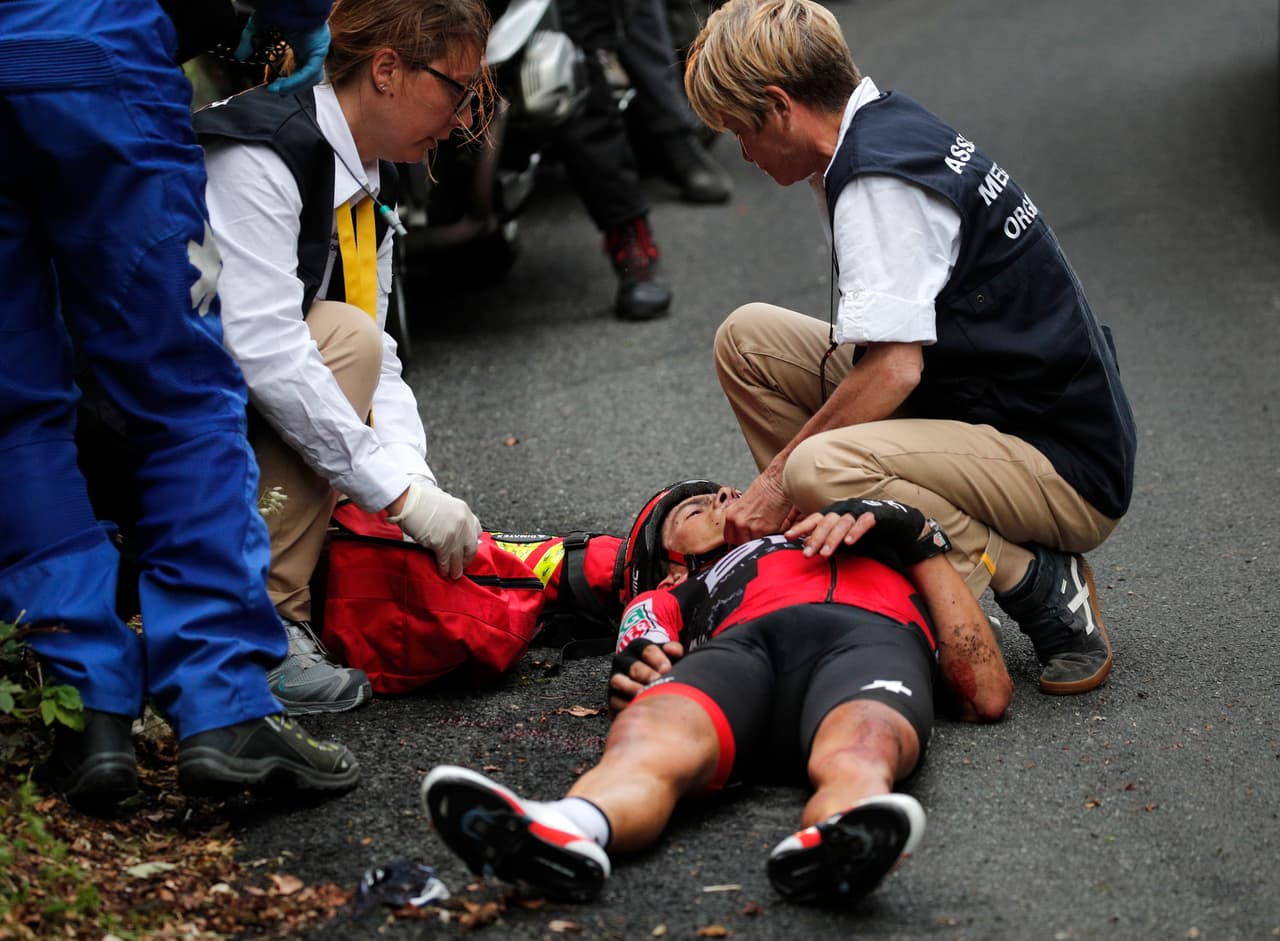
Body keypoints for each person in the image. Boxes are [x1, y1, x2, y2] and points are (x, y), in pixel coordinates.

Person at [682, 0, 1138, 695]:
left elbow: (896, 368)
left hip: (1063, 469)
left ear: (779, 106)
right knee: (747, 341)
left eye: (742, 130)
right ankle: (861, 570)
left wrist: (774, 484)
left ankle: (1032, 576)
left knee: (812, 467)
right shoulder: (882, 124)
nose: (743, 151)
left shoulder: (876, 180)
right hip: (987, 404)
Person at [0, 0, 360, 813]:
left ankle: (85, 708)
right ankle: (223, 699)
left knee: (14, 418)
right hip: (94, 58)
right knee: (182, 397)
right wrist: (299, 15)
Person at [423, 480, 1012, 904]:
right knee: (650, 737)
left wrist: (917, 537)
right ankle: (570, 827)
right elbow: (642, 642)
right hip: (742, 653)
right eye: (701, 509)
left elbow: (985, 691)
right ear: (673, 567)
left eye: (727, 492)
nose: (730, 498)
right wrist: (639, 669)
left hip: (869, 643)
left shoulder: (852, 531)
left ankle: (840, 836)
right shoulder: (677, 592)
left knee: (861, 748)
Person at [192, 0, 493, 715]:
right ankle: (261, 629)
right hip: (139, 416)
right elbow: (266, 349)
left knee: (354, 342)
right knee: (335, 341)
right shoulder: (262, 152)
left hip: (226, 404)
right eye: (457, 91)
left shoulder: (367, 170)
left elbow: (378, 356)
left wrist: (417, 483)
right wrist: (396, 496)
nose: (459, 120)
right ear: (386, 70)